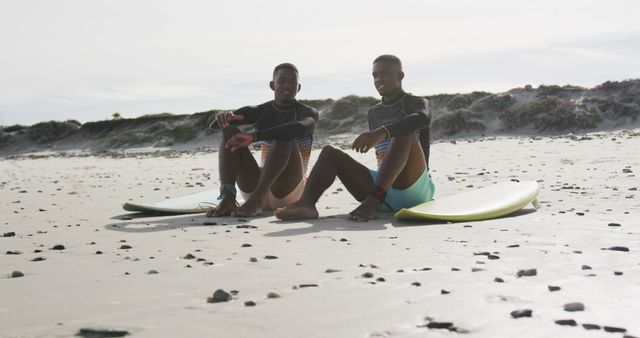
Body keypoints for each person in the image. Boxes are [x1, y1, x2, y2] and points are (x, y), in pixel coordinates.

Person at [275, 54, 435, 221]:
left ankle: (373, 200)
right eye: (375, 75)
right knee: (330, 153)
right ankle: (306, 205)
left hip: (413, 189)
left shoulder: (417, 103)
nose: (379, 79)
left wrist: (381, 132)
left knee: (405, 131)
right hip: (382, 192)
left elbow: (422, 118)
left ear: (400, 76)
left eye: (385, 73)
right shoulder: (374, 112)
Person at [206, 63, 319, 217]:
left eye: (292, 82)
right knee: (229, 131)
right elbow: (216, 125)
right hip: (255, 187)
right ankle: (228, 197)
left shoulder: (308, 113)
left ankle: (257, 200)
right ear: (272, 85)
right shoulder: (260, 111)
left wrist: (254, 137)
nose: (287, 85)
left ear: (298, 88)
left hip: (288, 192)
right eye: (282, 81)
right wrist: (222, 116)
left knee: (286, 134)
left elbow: (296, 128)